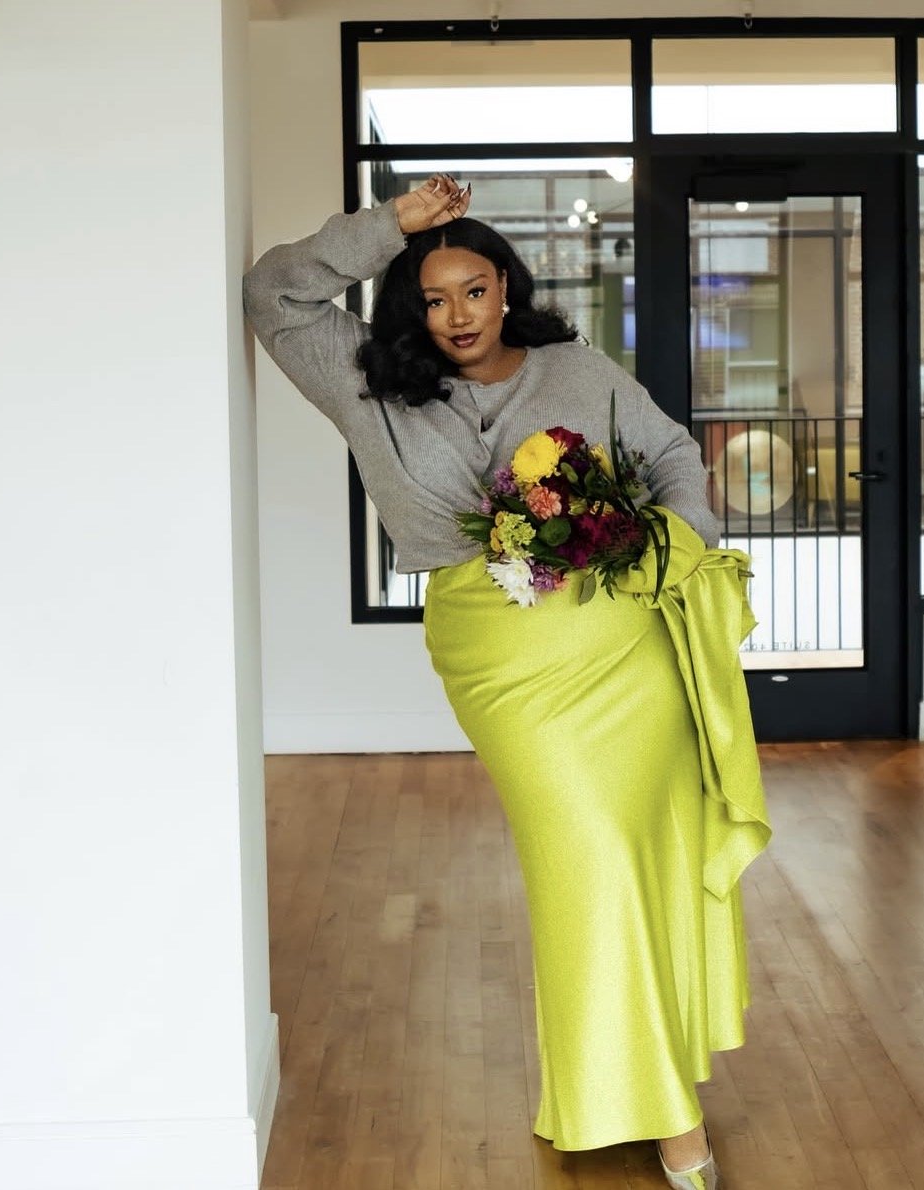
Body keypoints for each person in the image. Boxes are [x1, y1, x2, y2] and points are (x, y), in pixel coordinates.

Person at [243, 174, 770, 1190]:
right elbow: (272, 293)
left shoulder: (574, 368)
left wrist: (672, 543)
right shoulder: (368, 381)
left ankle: (642, 1088)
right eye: (434, 298)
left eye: (475, 291)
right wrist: (391, 225)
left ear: (506, 287)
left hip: (625, 653)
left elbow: (671, 454)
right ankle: (663, 1110)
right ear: (411, 306)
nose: (457, 316)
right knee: (589, 856)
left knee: (643, 859)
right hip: (504, 665)